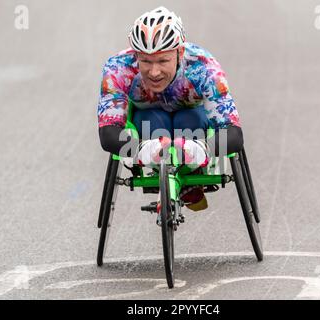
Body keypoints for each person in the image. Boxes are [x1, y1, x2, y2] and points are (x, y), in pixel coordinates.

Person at [98, 6, 244, 211]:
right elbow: (108, 133)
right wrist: (139, 149)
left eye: (163, 60)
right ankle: (161, 170)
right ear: (135, 55)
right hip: (148, 121)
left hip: (193, 118)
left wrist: (204, 148)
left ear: (180, 52)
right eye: (146, 61)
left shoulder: (203, 66)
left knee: (188, 119)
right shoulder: (118, 68)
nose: (154, 71)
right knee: (153, 120)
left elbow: (234, 134)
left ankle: (191, 175)